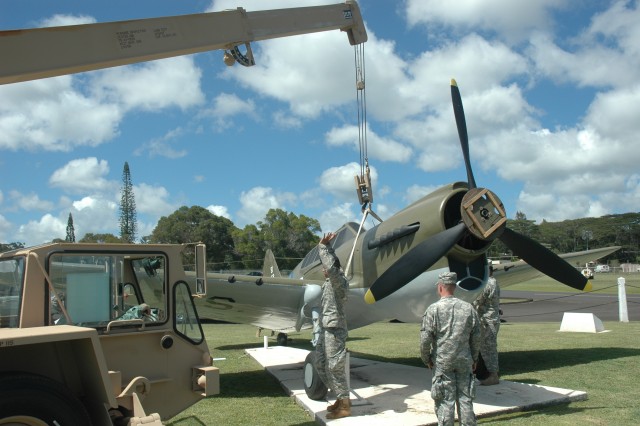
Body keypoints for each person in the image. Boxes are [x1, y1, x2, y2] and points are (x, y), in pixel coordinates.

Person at [421, 271, 481, 426]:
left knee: (445, 401)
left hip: (443, 362)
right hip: (464, 360)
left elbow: (426, 338)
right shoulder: (469, 308)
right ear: (454, 287)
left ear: (441, 287)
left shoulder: (433, 310)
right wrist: (474, 358)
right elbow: (476, 337)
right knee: (465, 399)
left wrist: (426, 358)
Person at [315, 232, 351, 419]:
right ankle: (339, 396)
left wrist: (324, 247)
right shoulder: (329, 282)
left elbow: (331, 265)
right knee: (320, 363)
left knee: (335, 365)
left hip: (335, 329)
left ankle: (345, 405)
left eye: (327, 268)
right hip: (325, 327)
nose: (324, 270)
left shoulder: (340, 282)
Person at [473, 266, 500, 386]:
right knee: (487, 347)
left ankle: (493, 375)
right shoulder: (494, 282)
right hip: (490, 320)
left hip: (487, 321)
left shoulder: (487, 283)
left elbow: (477, 300)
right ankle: (489, 373)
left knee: (488, 348)